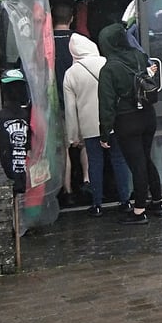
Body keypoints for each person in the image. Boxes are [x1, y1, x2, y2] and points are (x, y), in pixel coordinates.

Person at [97, 22, 162, 225]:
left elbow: (106, 104)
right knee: (145, 158)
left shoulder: (109, 68)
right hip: (148, 116)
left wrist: (104, 132)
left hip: (127, 120)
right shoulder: (139, 56)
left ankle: (139, 210)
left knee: (137, 164)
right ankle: (158, 201)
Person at [62, 32, 134, 218]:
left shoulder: (71, 74)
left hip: (89, 125)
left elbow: (70, 110)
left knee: (95, 162)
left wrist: (73, 136)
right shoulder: (106, 62)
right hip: (113, 121)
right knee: (119, 159)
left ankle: (97, 204)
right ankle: (125, 200)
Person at [51, 4, 85, 204]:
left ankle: (67, 190)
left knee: (64, 148)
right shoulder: (80, 41)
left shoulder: (44, 43)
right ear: (71, 18)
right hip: (81, 100)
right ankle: (89, 182)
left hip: (57, 102)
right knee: (85, 144)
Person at [0, 69, 31, 195]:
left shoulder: (2, 116)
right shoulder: (27, 114)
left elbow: (3, 146)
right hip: (26, 165)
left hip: (12, 165)